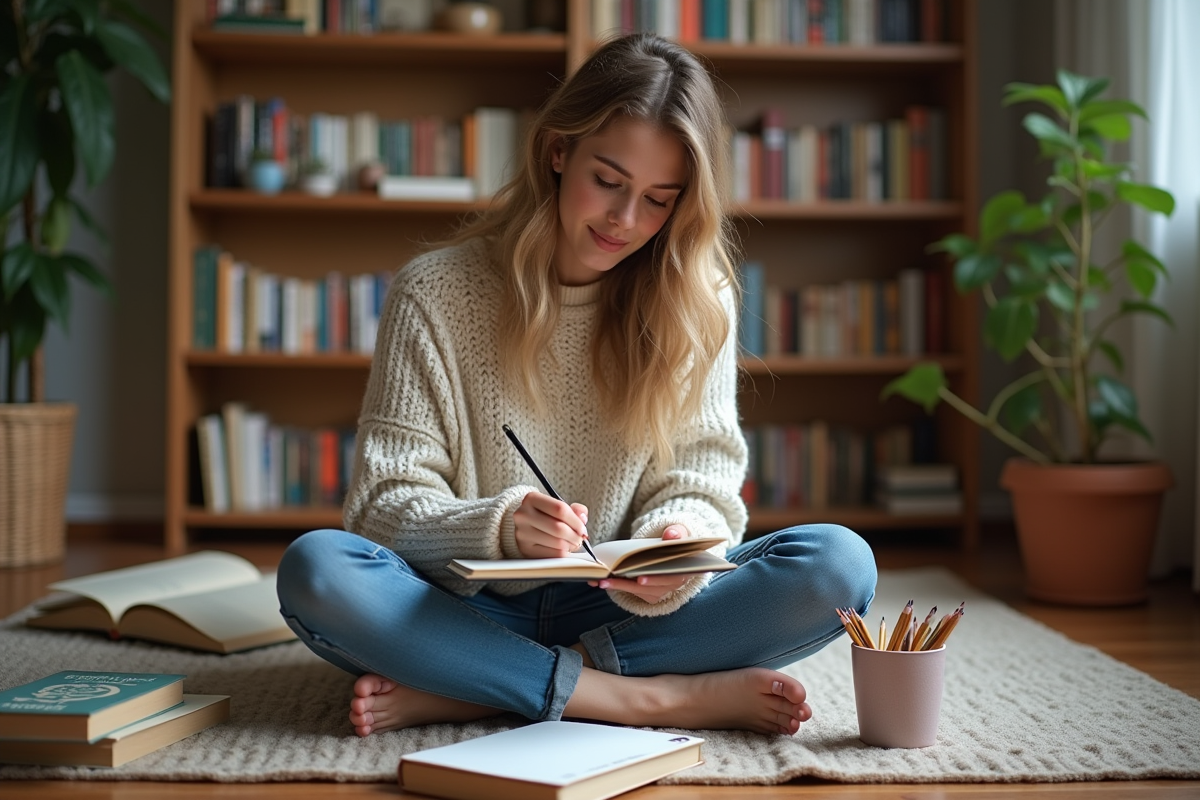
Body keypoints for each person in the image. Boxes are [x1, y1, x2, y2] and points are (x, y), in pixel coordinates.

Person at [276, 32, 876, 738]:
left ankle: (476, 684)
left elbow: (704, 476)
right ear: (558, 151)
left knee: (840, 566)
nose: (626, 221)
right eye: (609, 181)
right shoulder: (434, 294)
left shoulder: (698, 297)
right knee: (317, 571)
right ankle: (648, 698)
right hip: (465, 605)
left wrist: (674, 545)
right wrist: (499, 527)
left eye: (658, 200)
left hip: (621, 609)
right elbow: (381, 505)